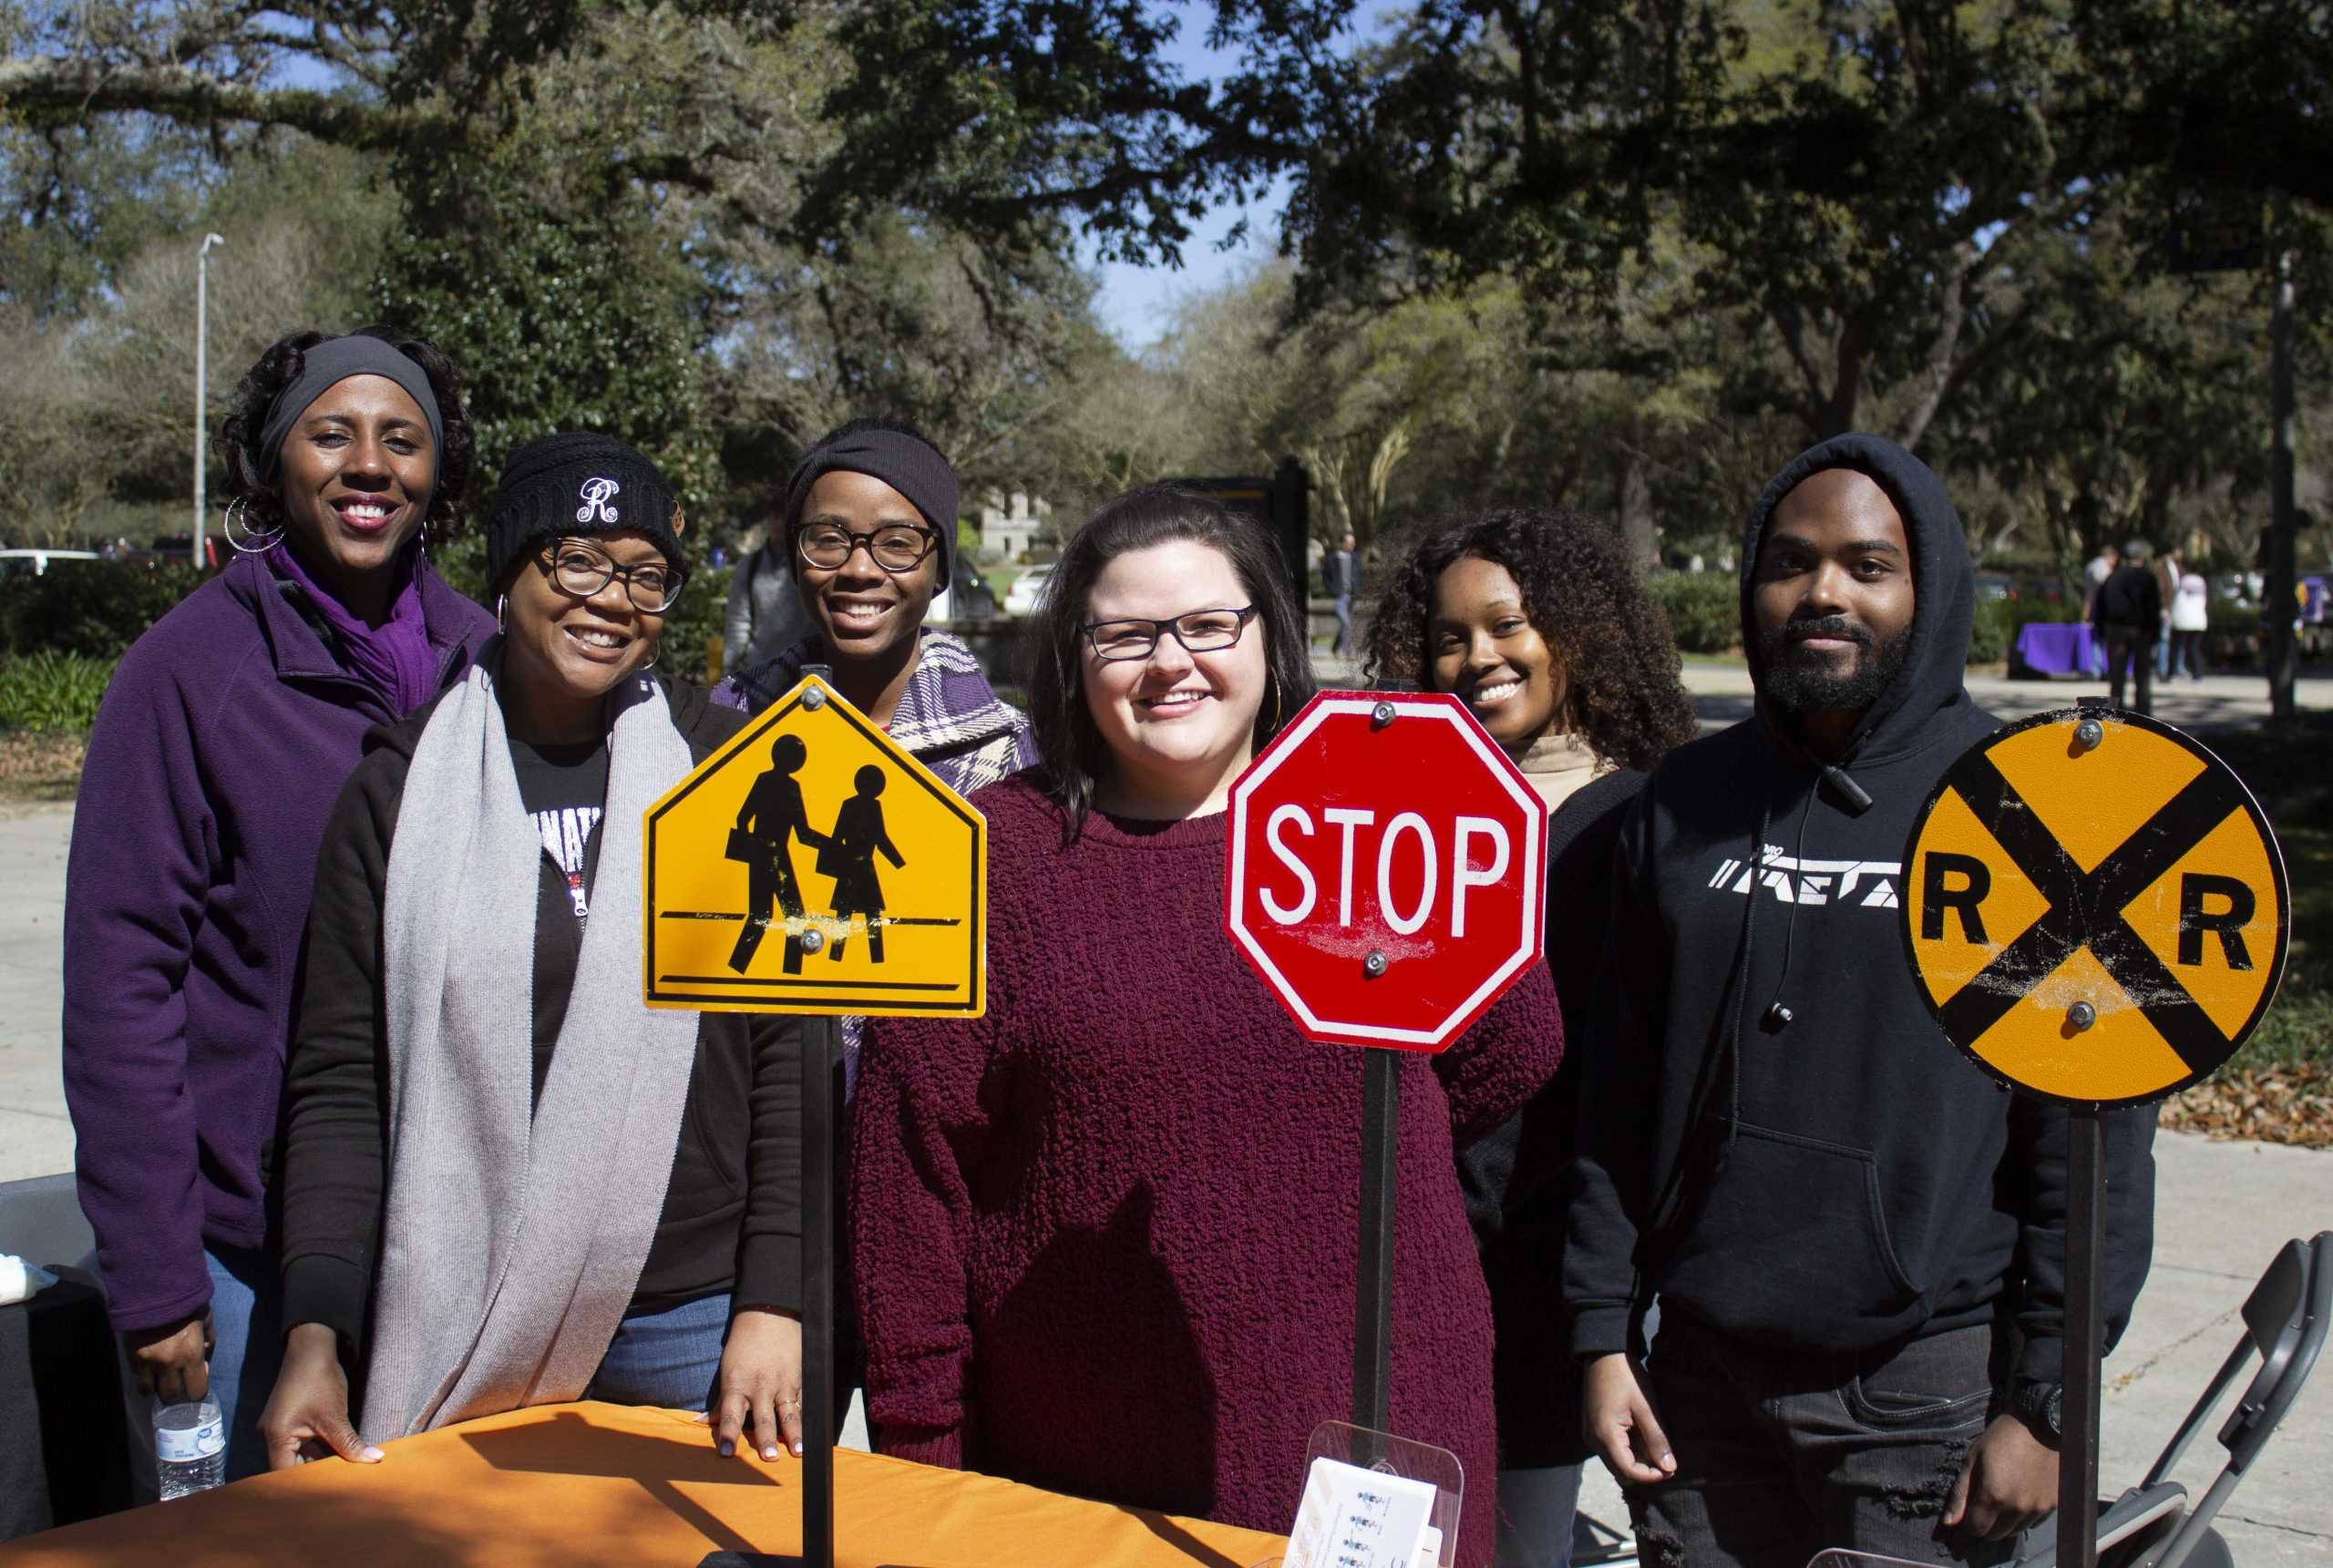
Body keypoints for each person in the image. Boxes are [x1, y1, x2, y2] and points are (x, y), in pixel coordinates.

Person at [848, 487, 1564, 1567]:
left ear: (1269, 637)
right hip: (1087, 1459)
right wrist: (922, 1452)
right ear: (1072, 657)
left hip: (1381, 1432)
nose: (1168, 662)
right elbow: (910, 1186)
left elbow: (1513, 1043)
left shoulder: (1385, 811)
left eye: (1206, 625)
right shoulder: (987, 857)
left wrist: (1324, 1159)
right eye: (1122, 633)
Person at [1567, 434, 2157, 1568]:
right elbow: (1614, 1088)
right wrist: (1598, 1334)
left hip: (1921, 1395)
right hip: (1694, 1387)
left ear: (1928, 591)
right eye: (1790, 561)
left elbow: (2090, 1149)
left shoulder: (2040, 813)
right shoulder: (1682, 802)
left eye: (1866, 565)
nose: (1822, 591)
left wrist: (2044, 1405)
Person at [262, 434, 805, 1469]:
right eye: (577, 558)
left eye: (646, 574)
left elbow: (788, 1049)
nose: (612, 597)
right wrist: (316, 1330)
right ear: (508, 570)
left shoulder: (730, 770)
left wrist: (774, 1298)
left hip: (688, 1315)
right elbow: (338, 1080)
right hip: (466, 1301)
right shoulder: (400, 790)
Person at [61, 329, 494, 1481]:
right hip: (240, 1254)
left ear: (435, 474)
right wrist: (158, 1279)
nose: (369, 465)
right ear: (275, 460)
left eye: (402, 440)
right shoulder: (186, 672)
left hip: (446, 1244)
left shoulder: (489, 662)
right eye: (331, 434)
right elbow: (120, 982)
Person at [1364, 508, 1697, 1568]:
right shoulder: (1399, 802)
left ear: (1579, 631)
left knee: (1517, 1540)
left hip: (1552, 1269)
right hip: (1407, 1244)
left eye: (1508, 625)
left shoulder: (1648, 820)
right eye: (1449, 636)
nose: (1477, 658)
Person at [716, 417, 1033, 792]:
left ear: (940, 572)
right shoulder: (723, 723)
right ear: (796, 561)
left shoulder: (1016, 759)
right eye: (829, 539)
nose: (859, 568)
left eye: (898, 543)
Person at [723, 523, 817, 680]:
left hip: (805, 675)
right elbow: (738, 620)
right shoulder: (750, 565)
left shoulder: (811, 565)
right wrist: (729, 670)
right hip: (760, 672)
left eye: (782, 514)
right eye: (774, 515)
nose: (778, 522)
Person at [2092, 538, 2163, 714]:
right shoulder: (2148, 578)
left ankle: (2117, 709)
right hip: (2142, 630)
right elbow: (2155, 608)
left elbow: (2101, 605)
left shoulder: (2113, 577)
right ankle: (2143, 709)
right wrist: (2155, 632)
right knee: (2143, 673)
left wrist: (2100, 629)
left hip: (2117, 630)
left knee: (2117, 673)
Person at [2170, 560, 2209, 682]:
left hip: (2182, 619)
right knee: (2194, 648)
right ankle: (2197, 673)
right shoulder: (2201, 582)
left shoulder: (2182, 581)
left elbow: (2177, 600)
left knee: (2176, 647)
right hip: (2198, 620)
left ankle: (2173, 673)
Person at [1324, 529, 1362, 654]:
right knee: (1346, 623)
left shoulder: (1355, 558)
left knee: (1346, 625)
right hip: (1339, 596)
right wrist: (1332, 589)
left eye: (1353, 543)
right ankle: (1348, 651)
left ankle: (1335, 648)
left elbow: (1360, 575)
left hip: (1352, 596)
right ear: (1343, 543)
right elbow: (1325, 576)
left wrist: (1358, 589)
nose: (1351, 546)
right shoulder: (1332, 558)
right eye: (1349, 543)